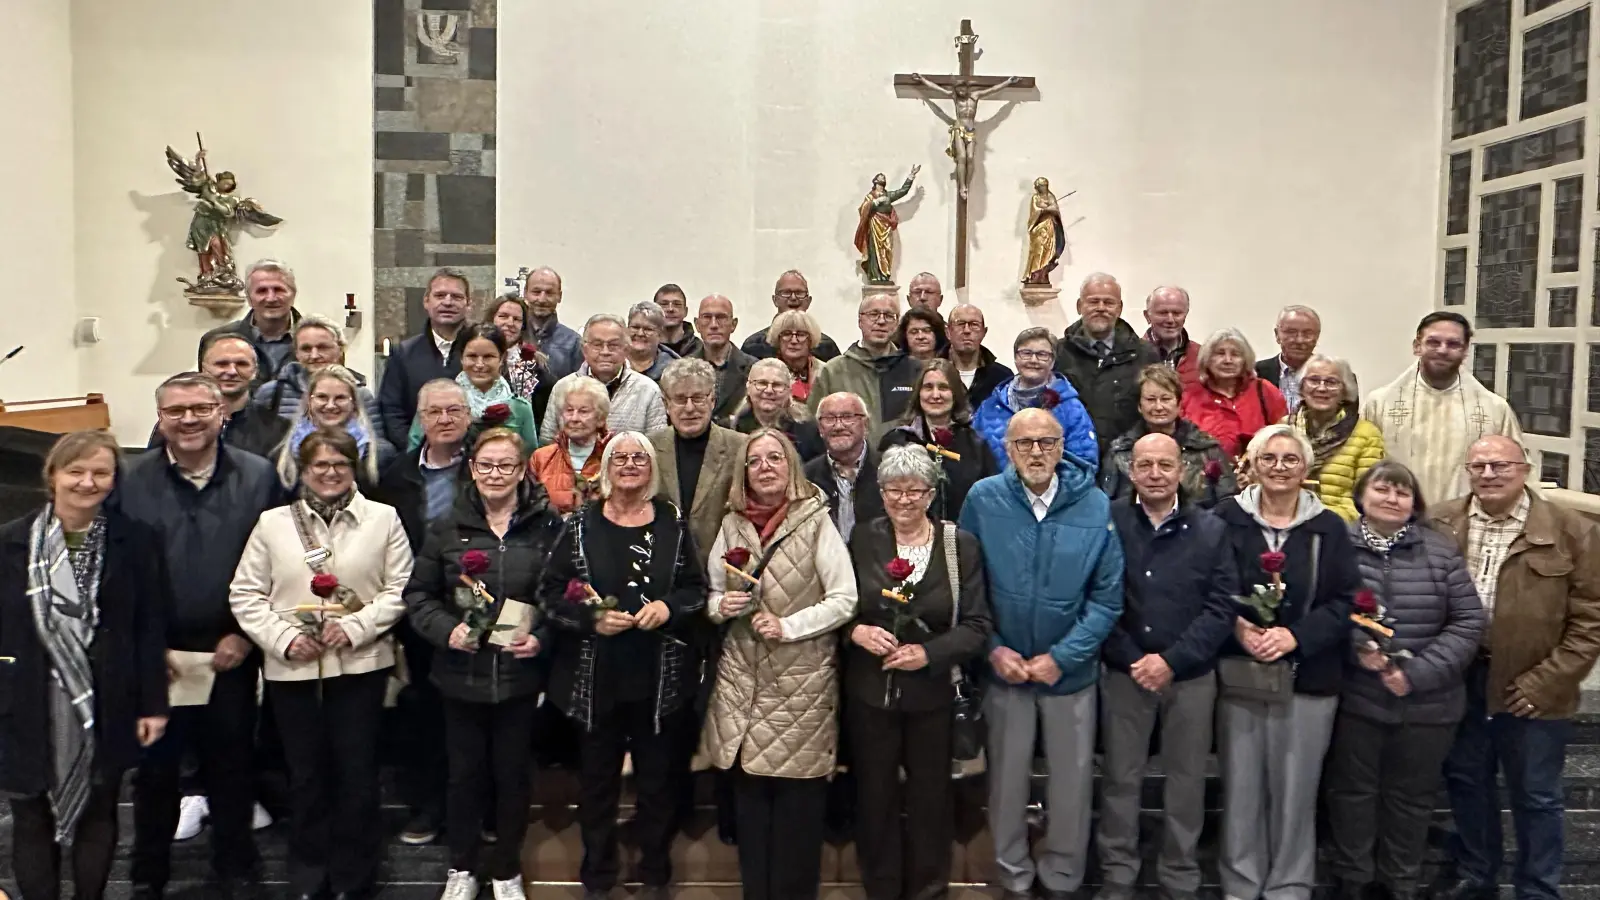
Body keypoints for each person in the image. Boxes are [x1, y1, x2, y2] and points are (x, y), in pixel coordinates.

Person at [229, 429, 412, 900]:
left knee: (356, 774)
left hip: (361, 666)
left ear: (354, 468)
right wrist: (285, 639)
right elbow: (245, 594)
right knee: (306, 776)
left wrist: (355, 628)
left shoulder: (383, 519)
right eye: (319, 466)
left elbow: (399, 590)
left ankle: (355, 877)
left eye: (340, 465)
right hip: (294, 672)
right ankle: (309, 873)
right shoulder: (273, 524)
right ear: (302, 470)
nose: (330, 474)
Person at [119, 374, 282, 900]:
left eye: (199, 409)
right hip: (154, 651)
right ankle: (149, 874)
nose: (188, 420)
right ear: (160, 417)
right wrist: (147, 648)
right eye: (175, 411)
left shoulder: (259, 477)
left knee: (232, 761)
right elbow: (115, 568)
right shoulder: (129, 478)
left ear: (221, 413)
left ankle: (236, 865)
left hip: (228, 648)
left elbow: (275, 563)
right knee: (155, 770)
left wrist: (243, 635)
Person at [958, 409, 1124, 900]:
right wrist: (992, 649)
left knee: (1071, 787)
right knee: (1006, 786)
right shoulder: (982, 500)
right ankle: (1014, 877)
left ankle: (1062, 880)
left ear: (1061, 447)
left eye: (1046, 442)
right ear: (1007, 449)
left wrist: (1065, 656)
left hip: (1069, 675)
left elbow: (1108, 597)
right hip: (1005, 670)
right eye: (1024, 443)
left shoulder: (1094, 504)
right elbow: (967, 586)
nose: (1036, 452)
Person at [1428, 435, 1600, 900]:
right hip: (1460, 680)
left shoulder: (1572, 531)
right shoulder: (1441, 522)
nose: (1488, 474)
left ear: (1524, 469)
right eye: (1478, 466)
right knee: (1466, 782)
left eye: (1500, 465)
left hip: (1534, 686)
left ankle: (1538, 889)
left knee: (1536, 796)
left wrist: (1547, 682)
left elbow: (1591, 620)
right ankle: (1476, 877)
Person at [0, 431, 168, 900]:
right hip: (26, 699)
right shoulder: (8, 542)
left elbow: (149, 629)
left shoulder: (136, 541)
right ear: (51, 476)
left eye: (100, 472)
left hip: (108, 696)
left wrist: (153, 705)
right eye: (75, 471)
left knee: (100, 807)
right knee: (31, 812)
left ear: (114, 480)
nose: (87, 482)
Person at [538, 433, 706, 900]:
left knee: (657, 786)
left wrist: (670, 608)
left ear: (651, 469)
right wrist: (590, 618)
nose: (629, 465)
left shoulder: (673, 523)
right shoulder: (579, 526)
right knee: (597, 788)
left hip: (660, 681)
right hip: (595, 680)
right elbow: (549, 595)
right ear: (606, 469)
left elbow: (696, 589)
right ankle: (598, 876)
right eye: (620, 458)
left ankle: (655, 873)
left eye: (639, 458)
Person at [701, 429, 858, 900]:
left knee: (796, 813)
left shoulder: (815, 521)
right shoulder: (732, 523)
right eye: (754, 461)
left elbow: (844, 599)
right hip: (741, 683)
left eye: (775, 458)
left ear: (790, 465)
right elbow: (712, 592)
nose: (765, 466)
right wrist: (720, 607)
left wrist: (789, 626)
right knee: (750, 813)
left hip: (800, 683)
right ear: (743, 473)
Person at [406, 429, 560, 900]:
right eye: (487, 465)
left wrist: (541, 638)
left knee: (512, 777)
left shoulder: (547, 526)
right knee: (463, 776)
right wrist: (446, 630)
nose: (496, 474)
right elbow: (417, 595)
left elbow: (560, 599)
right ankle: (462, 867)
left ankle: (506, 869)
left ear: (521, 471)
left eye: (506, 466)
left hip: (518, 679)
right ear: (472, 469)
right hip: (459, 677)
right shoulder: (447, 526)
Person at [1324, 460, 1484, 900]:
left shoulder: (1440, 550)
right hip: (1357, 698)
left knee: (1410, 799)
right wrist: (1360, 649)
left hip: (1428, 704)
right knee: (1351, 794)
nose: (1392, 498)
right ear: (1361, 496)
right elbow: (1324, 610)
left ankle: (1400, 883)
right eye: (1382, 489)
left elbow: (1469, 621)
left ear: (1414, 503)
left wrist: (1414, 674)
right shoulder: (1337, 545)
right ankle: (1353, 880)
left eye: (1402, 492)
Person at [1213, 424, 1360, 900]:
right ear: (1252, 465)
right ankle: (1240, 883)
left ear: (1307, 468)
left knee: (1297, 790)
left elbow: (1344, 602)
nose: (1279, 467)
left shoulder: (1329, 527)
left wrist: (1294, 636)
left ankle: (1289, 887)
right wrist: (1239, 627)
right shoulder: (1223, 518)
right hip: (1241, 672)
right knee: (1241, 788)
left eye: (1290, 459)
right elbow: (1207, 588)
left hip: (1308, 677)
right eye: (1269, 458)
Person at [1096, 432, 1239, 900]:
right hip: (1124, 672)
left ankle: (1179, 876)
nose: (1155, 474)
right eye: (1145, 465)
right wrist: (1135, 658)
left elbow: (1221, 607)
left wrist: (1171, 661)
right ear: (1130, 471)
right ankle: (1118, 874)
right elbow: (1095, 597)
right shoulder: (1108, 520)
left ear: (1183, 470)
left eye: (1164, 465)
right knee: (1121, 779)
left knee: (1187, 782)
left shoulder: (1212, 529)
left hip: (1190, 676)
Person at [846, 444, 991, 900]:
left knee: (931, 801)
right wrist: (857, 632)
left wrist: (928, 655)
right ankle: (881, 888)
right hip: (871, 695)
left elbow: (978, 625)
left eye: (914, 491)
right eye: (893, 490)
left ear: (931, 494)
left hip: (932, 697)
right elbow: (840, 605)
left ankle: (930, 888)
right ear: (881, 492)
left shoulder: (959, 545)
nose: (903, 500)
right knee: (875, 799)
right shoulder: (863, 538)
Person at [369, 379, 473, 846]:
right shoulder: (397, 476)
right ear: (420, 418)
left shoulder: (488, 465)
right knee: (426, 713)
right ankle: (428, 807)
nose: (445, 419)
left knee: (478, 715)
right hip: (420, 610)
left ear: (468, 416)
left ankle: (478, 810)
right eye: (435, 412)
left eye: (454, 410)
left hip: (480, 610)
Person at [1364, 312, 1522, 507]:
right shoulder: (1380, 403)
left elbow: (1516, 470)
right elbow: (1364, 468)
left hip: (1467, 521)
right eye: (1433, 342)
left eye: (1453, 344)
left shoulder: (1494, 409)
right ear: (1417, 346)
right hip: (1396, 516)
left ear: (1465, 351)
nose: (1442, 350)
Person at [1098, 365, 1236, 509]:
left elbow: (1227, 503)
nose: (1158, 407)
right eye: (1151, 399)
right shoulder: (1120, 452)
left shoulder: (1207, 449)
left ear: (1179, 404)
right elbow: (1105, 505)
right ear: (1139, 406)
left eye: (1165, 399)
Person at [878, 358, 999, 521]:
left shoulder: (976, 445)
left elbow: (988, 502)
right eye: (928, 387)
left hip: (962, 539)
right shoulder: (896, 440)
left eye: (943, 387)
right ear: (918, 393)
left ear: (955, 394)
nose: (936, 395)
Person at [649, 359, 744, 562]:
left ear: (712, 400)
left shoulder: (740, 447)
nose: (690, 408)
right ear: (666, 404)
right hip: (661, 566)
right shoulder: (648, 449)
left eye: (698, 398)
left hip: (722, 566)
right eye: (680, 399)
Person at [1053, 272, 1160, 453]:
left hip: (1128, 456)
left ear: (1119, 308)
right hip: (1073, 456)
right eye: (1093, 301)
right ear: (1080, 306)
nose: (1101, 308)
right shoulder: (1058, 353)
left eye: (1109, 302)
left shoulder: (1146, 354)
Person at [972, 327, 1099, 468]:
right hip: (996, 490)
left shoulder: (1071, 409)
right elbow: (972, 458)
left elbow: (1085, 464)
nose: (1033, 360)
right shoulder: (990, 407)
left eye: (1042, 354)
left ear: (1052, 361)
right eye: (1026, 353)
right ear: (1015, 358)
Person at [147, 334, 289, 458]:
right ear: (203, 368)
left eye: (241, 364)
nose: (232, 371)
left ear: (255, 371)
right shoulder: (178, 424)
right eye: (221, 364)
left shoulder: (276, 428)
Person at [408, 323, 539, 451]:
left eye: (488, 357)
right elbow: (414, 449)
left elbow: (529, 457)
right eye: (472, 356)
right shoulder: (436, 401)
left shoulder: (520, 408)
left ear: (502, 358)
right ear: (461, 358)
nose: (480, 364)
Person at [379, 266, 470, 449]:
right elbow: (392, 411)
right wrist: (415, 452)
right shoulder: (403, 353)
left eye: (457, 297)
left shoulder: (481, 352)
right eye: (440, 295)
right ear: (426, 301)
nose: (448, 302)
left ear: (469, 304)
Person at [541, 314, 668, 444]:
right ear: (585, 350)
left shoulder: (648, 390)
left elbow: (657, 446)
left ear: (626, 349)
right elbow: (547, 443)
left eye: (613, 345)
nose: (605, 351)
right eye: (597, 344)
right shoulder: (563, 387)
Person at [1288, 354, 1385, 522]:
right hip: (1284, 522)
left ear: (1345, 391)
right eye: (1314, 380)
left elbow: (1368, 499)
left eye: (1331, 382)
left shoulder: (1367, 435)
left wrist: (1318, 518)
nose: (1322, 388)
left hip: (1340, 529)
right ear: (1302, 388)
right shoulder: (1283, 429)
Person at [810, 293, 920, 430]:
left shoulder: (913, 369)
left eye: (889, 316)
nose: (881, 321)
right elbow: (814, 423)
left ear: (897, 323)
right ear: (860, 321)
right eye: (873, 314)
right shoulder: (833, 371)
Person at [274, 365, 393, 490]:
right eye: (322, 397)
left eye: (340, 398)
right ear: (309, 402)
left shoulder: (381, 456)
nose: (330, 405)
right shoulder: (283, 456)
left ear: (354, 404)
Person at [255, 314, 384, 427]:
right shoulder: (271, 394)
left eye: (323, 347)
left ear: (340, 350)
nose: (314, 355)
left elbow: (382, 446)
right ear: (296, 353)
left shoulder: (361, 395)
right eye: (306, 349)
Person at [1181, 327, 1288, 458]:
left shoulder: (1264, 390)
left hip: (1256, 474)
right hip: (1204, 474)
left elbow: (1284, 435)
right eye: (1220, 354)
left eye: (1235, 354)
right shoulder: (1189, 395)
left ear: (1245, 361)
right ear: (1206, 360)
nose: (1228, 360)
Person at [198, 258, 301, 387]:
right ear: (248, 297)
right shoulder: (217, 340)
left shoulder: (319, 340)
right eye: (261, 291)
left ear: (293, 294)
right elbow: (206, 392)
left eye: (278, 290)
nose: (271, 298)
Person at [804, 392, 885, 545]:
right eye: (829, 419)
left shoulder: (888, 470)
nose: (839, 426)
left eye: (848, 417)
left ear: (865, 424)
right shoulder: (806, 477)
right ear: (820, 428)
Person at [529, 376, 611, 516]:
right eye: (569, 410)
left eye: (583, 411)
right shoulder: (541, 458)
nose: (574, 418)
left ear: (600, 419)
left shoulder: (613, 459)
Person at [727, 358, 826, 462]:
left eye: (777, 385)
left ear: (789, 390)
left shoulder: (809, 430)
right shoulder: (731, 428)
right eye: (762, 383)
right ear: (748, 387)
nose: (769, 390)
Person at [740, 270, 841, 361]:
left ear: (808, 301)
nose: (793, 298)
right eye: (786, 293)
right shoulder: (753, 346)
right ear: (775, 300)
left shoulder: (826, 346)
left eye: (799, 293)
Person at [488, 293, 554, 422]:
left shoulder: (535, 364)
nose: (510, 323)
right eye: (503, 316)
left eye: (517, 319)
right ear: (491, 319)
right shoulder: (474, 357)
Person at [689, 293, 755, 422]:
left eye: (721, 317)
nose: (713, 325)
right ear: (697, 324)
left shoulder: (754, 369)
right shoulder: (682, 369)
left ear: (733, 324)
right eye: (707, 317)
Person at [1255, 305, 1322, 414]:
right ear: (1277, 335)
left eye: (1307, 333)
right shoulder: (1255, 374)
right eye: (1291, 332)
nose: (1299, 340)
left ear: (1317, 336)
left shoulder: (1337, 379)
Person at [944, 302, 1012, 406]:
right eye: (960, 324)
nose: (967, 330)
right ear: (948, 332)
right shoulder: (932, 373)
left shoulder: (1002, 377)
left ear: (983, 333)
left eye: (974, 325)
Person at [522, 266, 582, 381]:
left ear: (559, 296)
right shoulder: (514, 336)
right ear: (525, 293)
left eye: (549, 293)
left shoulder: (574, 342)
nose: (542, 299)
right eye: (536, 292)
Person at [765, 309, 826, 406]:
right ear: (778, 339)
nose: (793, 341)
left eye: (801, 335)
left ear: (810, 340)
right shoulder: (765, 372)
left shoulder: (825, 372)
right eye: (787, 334)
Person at [1143, 285, 1200, 386]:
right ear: (1147, 316)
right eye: (1163, 313)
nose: (1170, 320)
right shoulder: (1130, 355)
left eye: (1177, 313)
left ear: (1185, 315)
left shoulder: (1201, 356)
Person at [625, 299, 680, 381]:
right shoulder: (612, 361)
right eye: (635, 327)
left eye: (648, 329)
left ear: (660, 334)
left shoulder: (675, 370)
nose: (640, 333)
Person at [655, 284, 702, 358]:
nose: (670, 309)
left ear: (685, 311)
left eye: (677, 304)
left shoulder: (700, 350)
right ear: (654, 311)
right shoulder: (646, 348)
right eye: (664, 304)